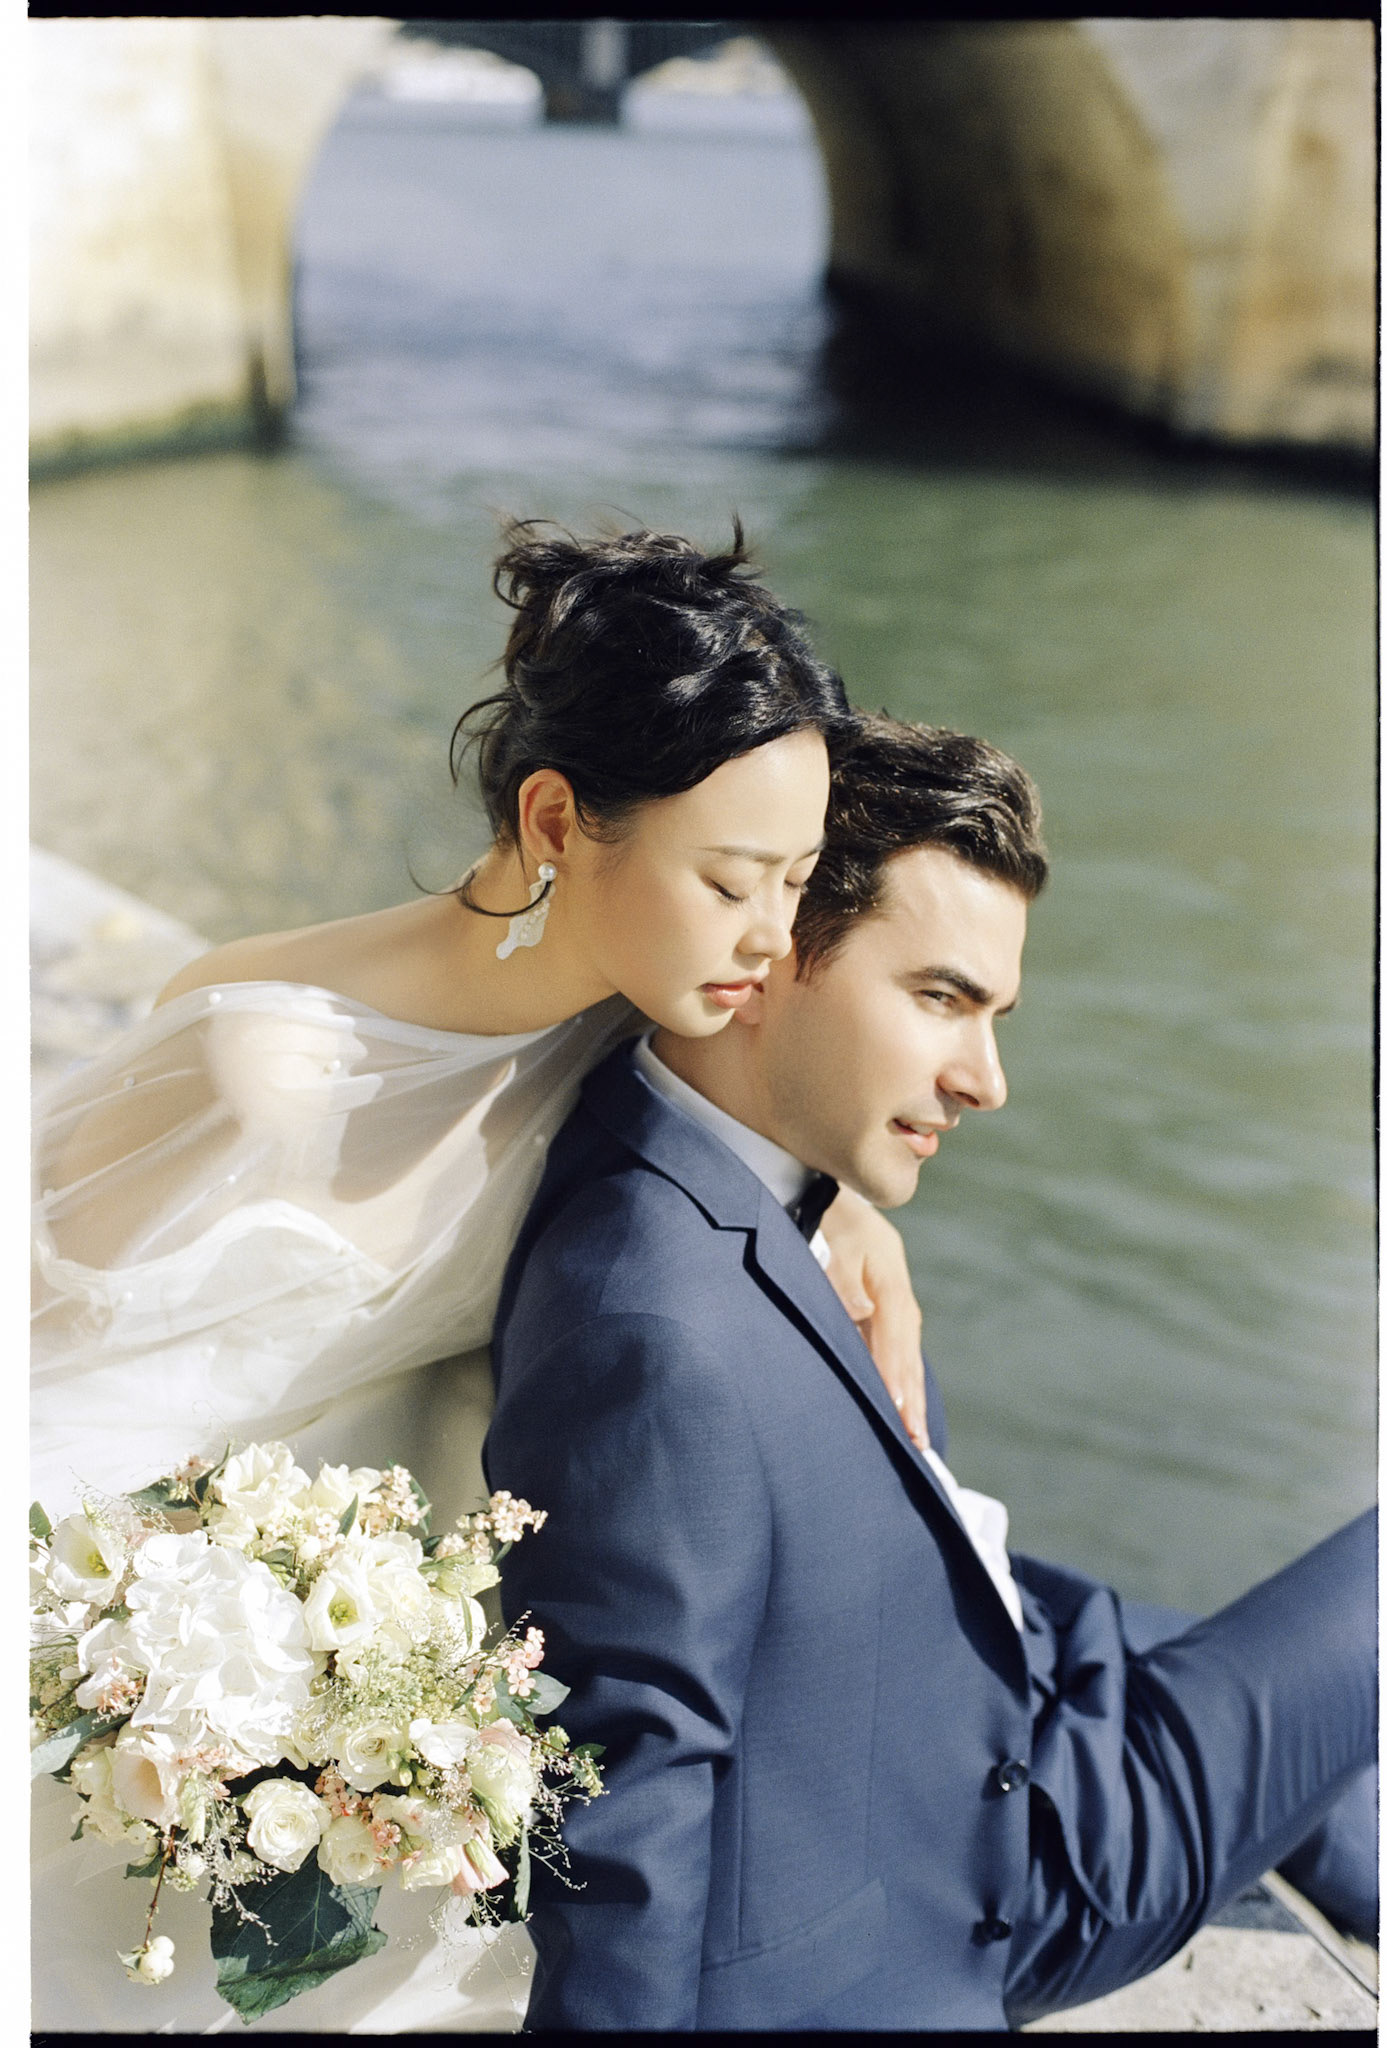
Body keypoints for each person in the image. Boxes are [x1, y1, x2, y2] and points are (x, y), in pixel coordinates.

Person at [27, 523, 925, 2035]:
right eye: (731, 881)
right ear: (559, 818)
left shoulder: (648, 1024)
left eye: (796, 879)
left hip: (421, 1624)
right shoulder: (268, 1071)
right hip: (133, 1608)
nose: (774, 937)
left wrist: (836, 1206)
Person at [485, 712, 1376, 2031]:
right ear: (762, 951)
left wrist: (844, 1206)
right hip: (1033, 1867)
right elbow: (624, 1805)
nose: (987, 1081)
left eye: (992, 1013)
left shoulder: (703, 1152)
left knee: (1298, 1735)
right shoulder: (653, 1332)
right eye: (942, 999)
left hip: (1029, 1672)